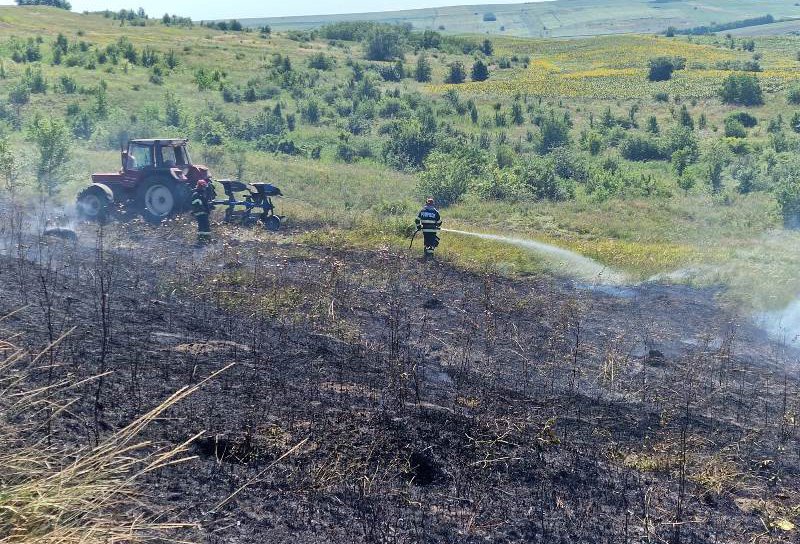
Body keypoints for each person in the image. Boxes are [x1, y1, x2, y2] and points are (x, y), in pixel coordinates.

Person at [191, 179, 213, 245]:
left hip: (198, 213)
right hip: (203, 212)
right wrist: (208, 211)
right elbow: (205, 204)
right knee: (206, 225)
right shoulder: (201, 194)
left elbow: (193, 204)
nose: (205, 188)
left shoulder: (195, 194)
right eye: (204, 186)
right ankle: (207, 238)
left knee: (201, 225)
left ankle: (200, 238)